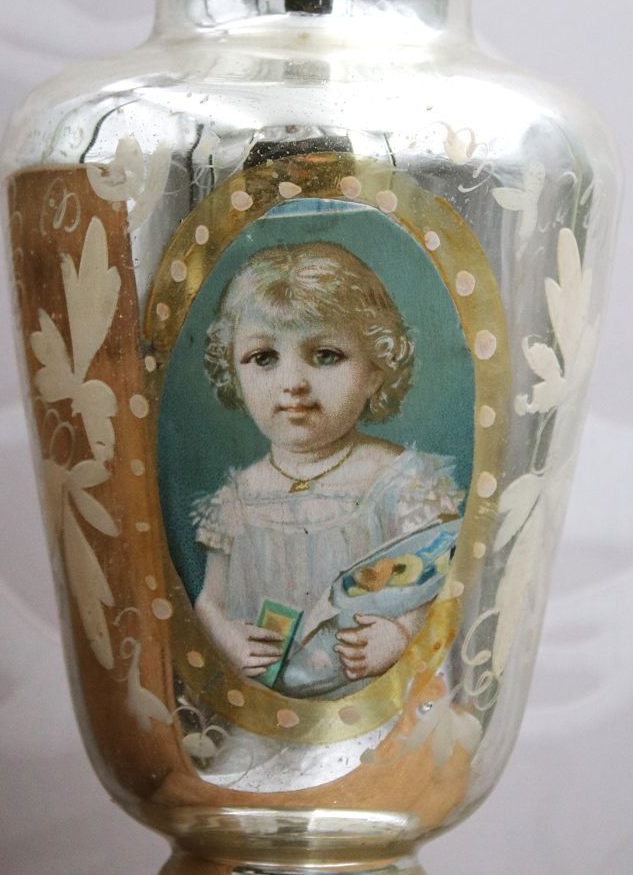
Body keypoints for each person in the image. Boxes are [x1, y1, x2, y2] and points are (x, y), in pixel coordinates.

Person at [192, 241, 465, 699]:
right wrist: (228, 639)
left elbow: (437, 583)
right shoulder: (239, 494)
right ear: (234, 372)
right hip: (263, 700)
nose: (293, 383)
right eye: (264, 358)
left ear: (375, 370)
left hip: (370, 696)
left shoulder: (399, 481)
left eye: (325, 356)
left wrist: (399, 634)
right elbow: (209, 601)